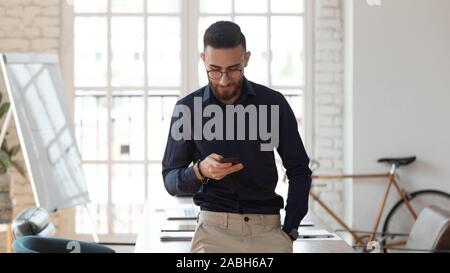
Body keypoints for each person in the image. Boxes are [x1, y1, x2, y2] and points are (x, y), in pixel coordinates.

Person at [162, 21, 312, 253]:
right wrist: (200, 171)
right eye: (214, 70)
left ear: (246, 58)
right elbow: (170, 179)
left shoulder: (274, 103)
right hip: (212, 232)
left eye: (233, 69)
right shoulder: (188, 109)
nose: (224, 79)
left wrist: (290, 227)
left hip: (268, 231)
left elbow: (299, 169)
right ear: (203, 59)